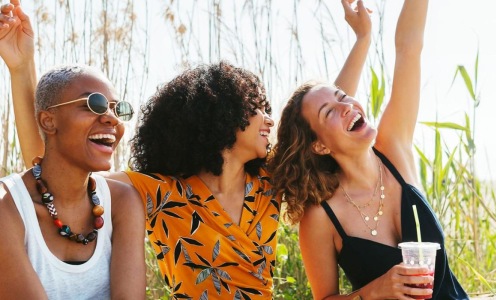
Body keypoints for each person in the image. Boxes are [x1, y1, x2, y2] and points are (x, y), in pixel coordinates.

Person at [0, 0, 371, 298]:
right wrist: (23, 70)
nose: (269, 120)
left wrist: (361, 41)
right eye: (256, 108)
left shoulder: (269, 183)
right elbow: (53, 163)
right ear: (223, 116)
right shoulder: (160, 193)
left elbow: (325, 121)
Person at [268, 0, 469, 299]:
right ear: (319, 145)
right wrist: (375, 291)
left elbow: (409, 47)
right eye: (329, 111)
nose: (347, 105)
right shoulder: (321, 216)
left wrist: (364, 37)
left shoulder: (395, 150)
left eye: (343, 96)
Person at [0, 5, 146, 299]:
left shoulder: (122, 202)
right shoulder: (8, 210)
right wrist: (21, 67)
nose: (111, 119)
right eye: (93, 104)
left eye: (118, 109)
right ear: (48, 121)